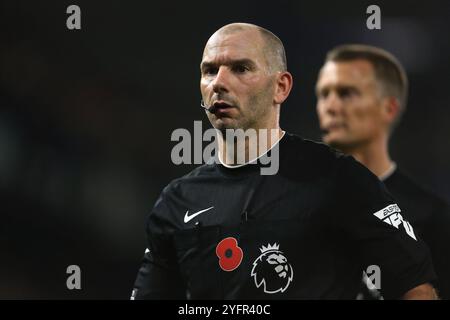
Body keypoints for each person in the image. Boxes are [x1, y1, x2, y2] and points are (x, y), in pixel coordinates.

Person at [131, 23, 437, 299]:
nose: (219, 83)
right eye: (210, 70)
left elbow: (414, 286)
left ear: (281, 87)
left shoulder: (338, 179)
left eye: (240, 68)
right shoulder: (177, 201)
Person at [315, 44, 450, 299]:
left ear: (389, 108)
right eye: (323, 94)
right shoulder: (295, 199)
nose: (329, 107)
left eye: (346, 93)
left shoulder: (431, 216)